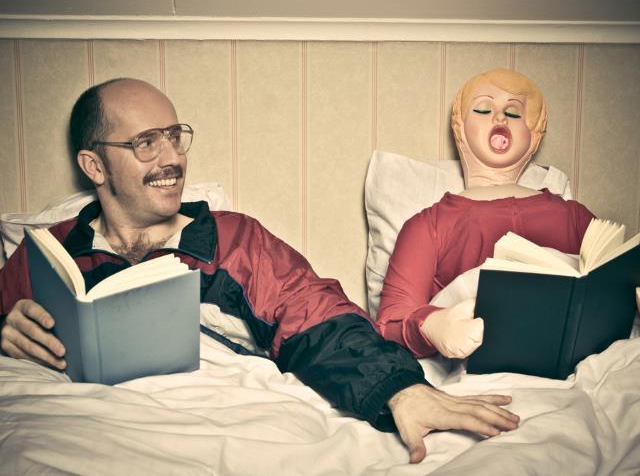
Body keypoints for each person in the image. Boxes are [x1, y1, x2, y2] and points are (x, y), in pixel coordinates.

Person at [0, 78, 518, 464]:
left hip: (218, 421)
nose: (172, 158)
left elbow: (317, 316)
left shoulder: (232, 239)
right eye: (146, 143)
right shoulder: (47, 253)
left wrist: (399, 389)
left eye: (175, 137)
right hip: (84, 432)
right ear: (94, 166)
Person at [377, 68, 596, 359]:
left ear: (534, 134)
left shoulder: (575, 217)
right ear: (460, 126)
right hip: (480, 366)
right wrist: (432, 326)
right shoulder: (428, 225)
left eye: (514, 113)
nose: (500, 118)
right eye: (483, 109)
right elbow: (391, 322)